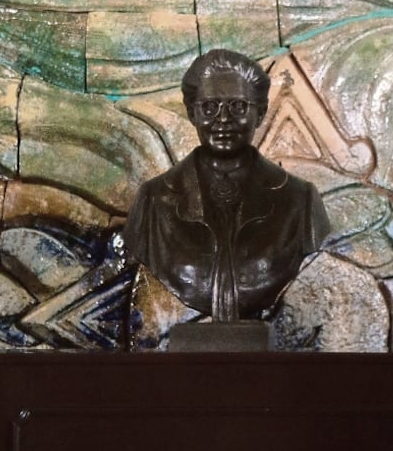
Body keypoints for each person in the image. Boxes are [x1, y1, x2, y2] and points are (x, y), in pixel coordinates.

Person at [122, 49, 330, 322]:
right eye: (209, 107)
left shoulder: (301, 200)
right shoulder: (153, 200)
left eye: (238, 106)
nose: (223, 119)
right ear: (192, 114)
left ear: (260, 114)